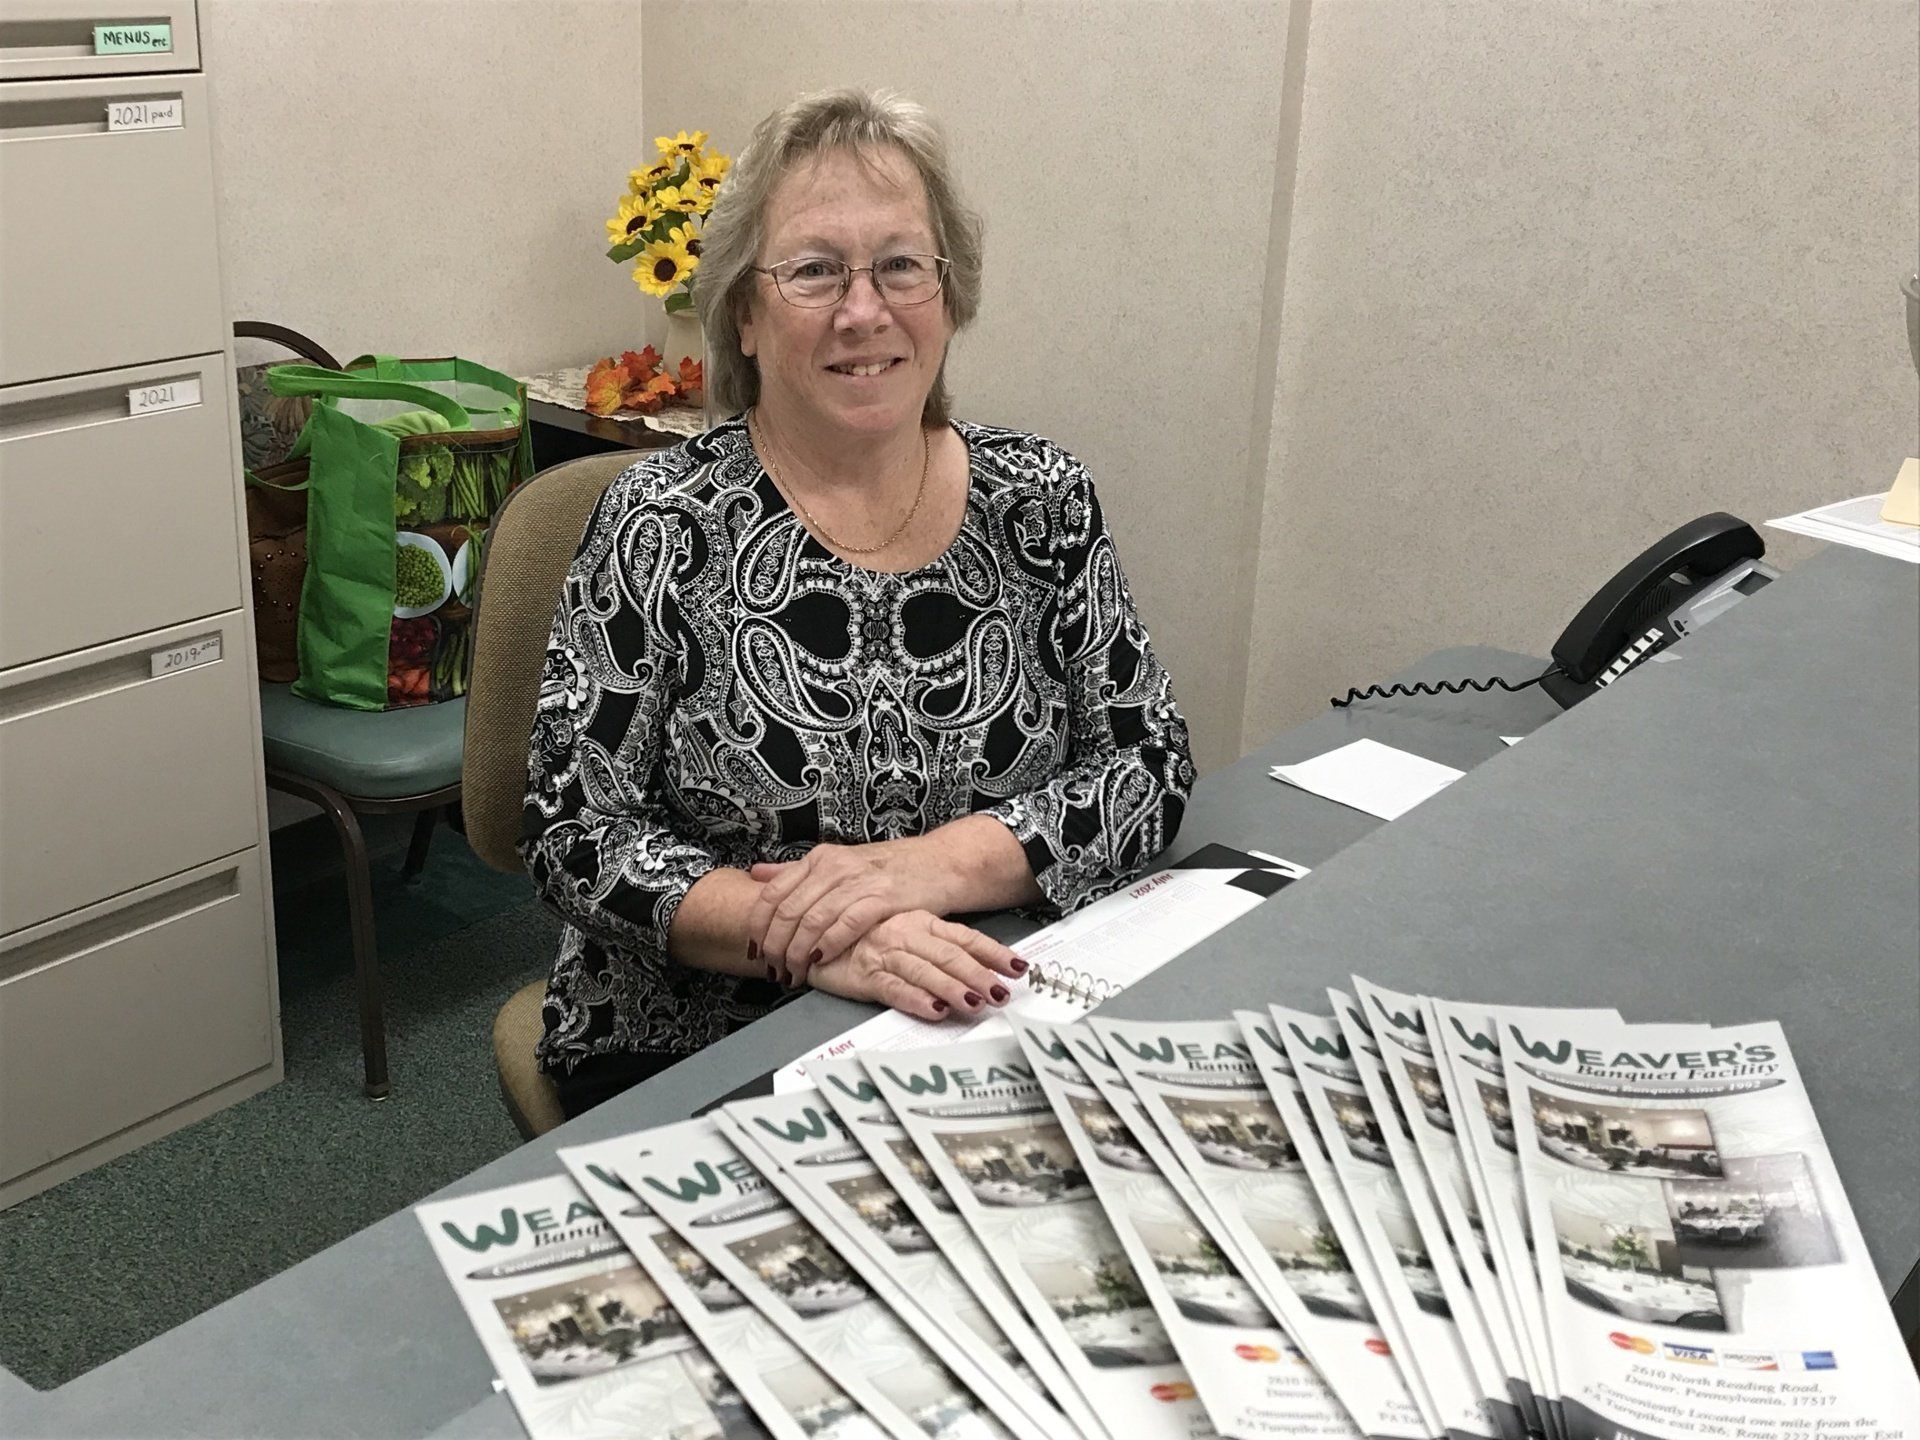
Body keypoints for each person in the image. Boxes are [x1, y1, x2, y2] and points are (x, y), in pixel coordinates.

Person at [521, 88, 1194, 1117]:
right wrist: (832, 935)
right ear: (743, 312)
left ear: (949, 294)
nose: (863, 309)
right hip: (699, 1031)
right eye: (814, 270)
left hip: (989, 993)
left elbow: (1150, 762)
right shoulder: (660, 522)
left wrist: (915, 874)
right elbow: (578, 834)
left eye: (899, 265)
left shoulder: (1043, 498)